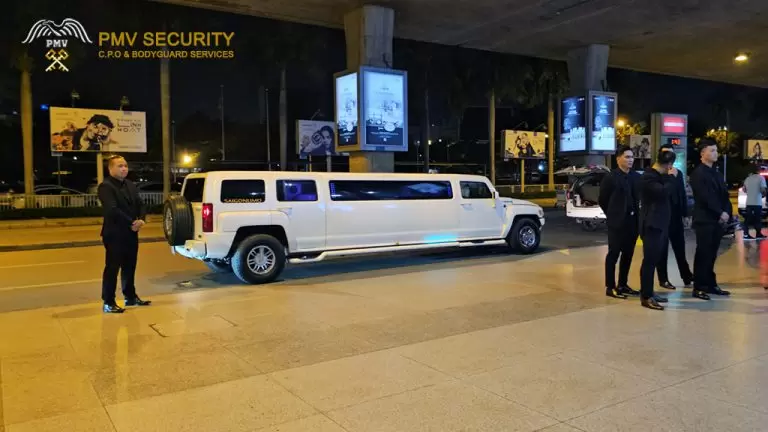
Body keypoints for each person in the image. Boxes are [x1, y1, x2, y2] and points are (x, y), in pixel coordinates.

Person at [97, 155, 151, 313]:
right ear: (111, 168)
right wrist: (132, 222)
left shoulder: (130, 185)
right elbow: (112, 209)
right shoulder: (106, 187)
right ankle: (108, 302)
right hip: (114, 234)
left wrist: (141, 219)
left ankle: (130, 297)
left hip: (131, 233)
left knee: (130, 266)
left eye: (125, 166)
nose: (124, 169)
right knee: (112, 268)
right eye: (120, 166)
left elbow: (141, 204)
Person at [690, 138, 732, 300]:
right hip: (705, 220)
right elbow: (704, 197)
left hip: (718, 220)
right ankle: (699, 287)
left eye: (716, 150)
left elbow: (725, 196)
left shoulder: (717, 173)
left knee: (712, 253)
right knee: (703, 253)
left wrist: (727, 211)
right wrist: (719, 213)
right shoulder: (698, 174)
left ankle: (710, 284)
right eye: (712, 150)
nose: (716, 153)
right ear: (703, 153)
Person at [599, 145, 640, 299]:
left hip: (633, 222)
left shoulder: (636, 177)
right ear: (618, 159)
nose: (630, 160)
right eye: (627, 157)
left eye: (632, 157)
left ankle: (623, 284)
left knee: (628, 254)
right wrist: (612, 214)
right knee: (613, 254)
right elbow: (603, 200)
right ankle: (610, 286)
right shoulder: (610, 178)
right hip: (617, 223)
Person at [638, 150, 678, 310]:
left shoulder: (657, 176)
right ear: (669, 165)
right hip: (651, 225)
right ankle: (646, 296)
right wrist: (672, 177)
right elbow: (663, 192)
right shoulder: (648, 177)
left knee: (654, 260)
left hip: (660, 224)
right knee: (649, 261)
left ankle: (649, 291)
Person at [656, 145, 694, 289]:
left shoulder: (678, 173)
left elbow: (682, 194)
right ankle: (663, 278)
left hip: (676, 215)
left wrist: (685, 213)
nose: (669, 158)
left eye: (671, 155)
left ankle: (686, 275)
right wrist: (670, 176)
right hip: (662, 216)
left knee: (680, 247)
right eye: (666, 154)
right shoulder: (658, 173)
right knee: (662, 249)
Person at [742, 164, 766, 240]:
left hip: (748, 202)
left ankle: (745, 234)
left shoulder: (747, 178)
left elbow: (744, 189)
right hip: (757, 202)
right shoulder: (761, 178)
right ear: (759, 170)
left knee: (747, 219)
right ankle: (758, 234)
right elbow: (763, 190)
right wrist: (763, 195)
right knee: (757, 219)